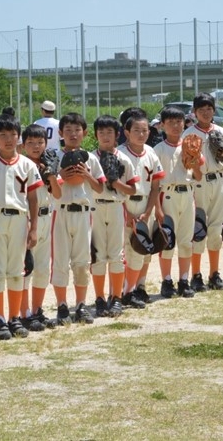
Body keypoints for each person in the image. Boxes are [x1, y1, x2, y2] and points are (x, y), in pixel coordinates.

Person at [0, 115, 41, 339]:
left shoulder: (27, 164)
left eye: (13, 134)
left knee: (17, 271)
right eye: (2, 135)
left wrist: (34, 228)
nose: (8, 139)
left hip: (20, 219)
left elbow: (33, 198)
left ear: (19, 137)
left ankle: (15, 317)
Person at [50, 113, 105, 325]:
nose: (73, 134)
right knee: (60, 261)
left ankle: (81, 305)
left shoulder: (90, 158)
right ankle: (62, 306)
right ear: (61, 133)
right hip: (60, 212)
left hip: (83, 213)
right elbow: (50, 189)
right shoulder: (54, 157)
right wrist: (61, 176)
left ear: (85, 132)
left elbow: (100, 187)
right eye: (68, 130)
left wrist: (87, 175)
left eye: (77, 130)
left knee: (82, 262)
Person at [182, 92, 223, 291]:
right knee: (198, 228)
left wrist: (220, 151)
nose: (205, 112)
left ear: (214, 110)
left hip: (218, 180)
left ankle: (214, 274)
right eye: (201, 109)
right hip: (198, 182)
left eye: (209, 108)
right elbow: (185, 162)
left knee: (216, 228)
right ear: (194, 112)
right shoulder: (188, 134)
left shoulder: (221, 131)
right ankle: (196, 275)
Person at [153, 106, 203, 297]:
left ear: (184, 123)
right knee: (167, 240)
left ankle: (184, 280)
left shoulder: (190, 145)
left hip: (188, 194)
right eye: (170, 122)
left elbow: (199, 176)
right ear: (162, 125)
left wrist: (194, 160)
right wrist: (157, 208)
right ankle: (167, 281)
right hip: (167, 194)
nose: (175, 126)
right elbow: (154, 182)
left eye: (179, 122)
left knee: (186, 240)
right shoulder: (158, 149)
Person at [91, 115, 138, 317]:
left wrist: (116, 182)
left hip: (117, 206)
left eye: (109, 132)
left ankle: (116, 298)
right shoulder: (90, 158)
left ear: (117, 134)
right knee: (98, 255)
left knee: (117, 255)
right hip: (95, 208)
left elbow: (133, 190)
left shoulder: (124, 158)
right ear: (95, 135)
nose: (105, 136)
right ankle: (100, 298)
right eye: (101, 132)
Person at [117, 110, 164, 308]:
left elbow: (155, 186)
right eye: (136, 130)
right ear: (126, 132)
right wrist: (126, 212)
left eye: (145, 130)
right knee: (125, 253)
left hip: (146, 204)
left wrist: (149, 211)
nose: (141, 134)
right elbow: (115, 187)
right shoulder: (119, 154)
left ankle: (134, 289)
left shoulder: (151, 152)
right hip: (124, 204)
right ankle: (124, 291)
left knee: (142, 250)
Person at [19, 124, 61, 330]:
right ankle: (24, 313)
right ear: (23, 145)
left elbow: (58, 194)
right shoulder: (21, 165)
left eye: (40, 142)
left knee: (43, 269)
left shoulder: (48, 163)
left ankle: (37, 310)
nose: (36, 146)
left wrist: (51, 173)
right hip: (27, 219)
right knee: (26, 268)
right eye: (30, 142)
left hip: (47, 217)